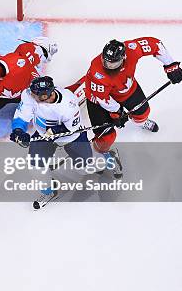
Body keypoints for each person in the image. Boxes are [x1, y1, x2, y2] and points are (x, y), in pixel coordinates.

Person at [10, 76, 122, 210]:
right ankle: (50, 191)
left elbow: (71, 129)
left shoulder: (68, 104)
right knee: (36, 167)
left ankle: (109, 157)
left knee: (84, 169)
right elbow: (21, 116)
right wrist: (18, 131)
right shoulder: (29, 95)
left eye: (35, 95)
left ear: (46, 96)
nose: (31, 96)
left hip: (72, 137)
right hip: (42, 135)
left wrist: (51, 134)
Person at [84, 38, 182, 155]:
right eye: (106, 62)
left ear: (123, 58)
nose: (109, 66)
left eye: (114, 63)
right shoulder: (97, 72)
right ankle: (101, 151)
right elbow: (102, 98)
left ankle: (141, 123)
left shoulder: (132, 49)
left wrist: (171, 65)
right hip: (97, 99)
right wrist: (117, 112)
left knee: (143, 113)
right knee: (107, 138)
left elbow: (155, 44)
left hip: (125, 90)